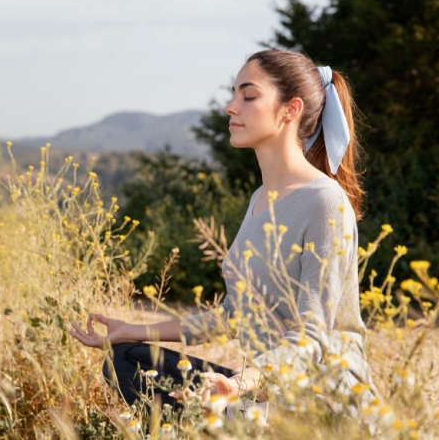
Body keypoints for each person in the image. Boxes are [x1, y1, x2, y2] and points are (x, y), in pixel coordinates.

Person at [68, 49, 379, 420]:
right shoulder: (259, 200)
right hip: (260, 389)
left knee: (220, 410)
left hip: (319, 402)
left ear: (290, 110)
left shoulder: (324, 201)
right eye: (234, 95)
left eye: (249, 96)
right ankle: (227, 416)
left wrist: (240, 383)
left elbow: (313, 339)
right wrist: (129, 329)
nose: (231, 107)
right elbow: (232, 316)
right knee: (126, 359)